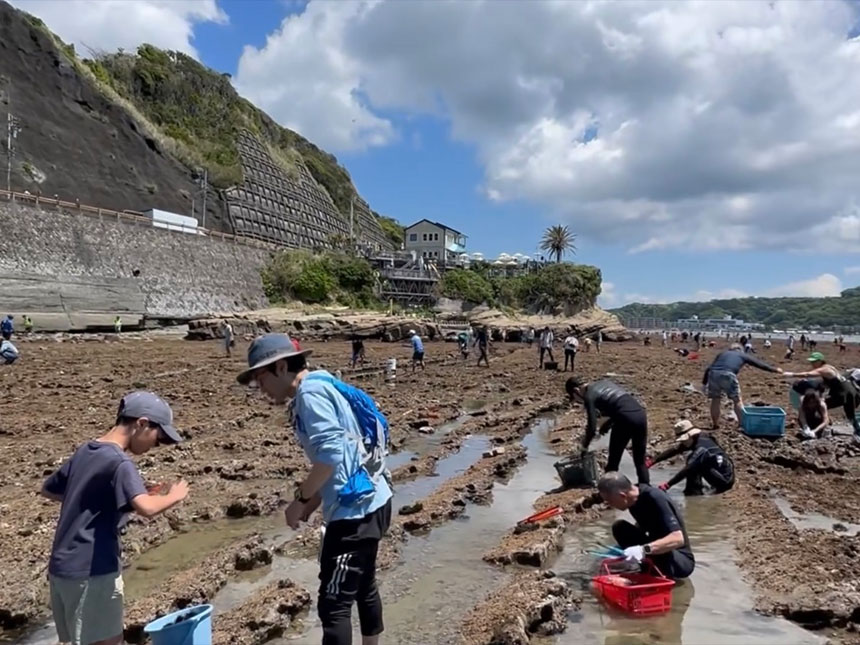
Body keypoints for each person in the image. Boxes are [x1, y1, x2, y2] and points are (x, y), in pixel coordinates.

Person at [237, 334, 392, 645]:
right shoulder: (325, 382)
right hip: (376, 498)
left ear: (281, 367)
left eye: (260, 379)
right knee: (363, 585)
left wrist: (300, 500)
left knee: (334, 604)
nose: (261, 390)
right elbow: (346, 454)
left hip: (354, 515)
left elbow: (331, 457)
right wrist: (312, 503)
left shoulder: (310, 395)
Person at [42, 391, 188, 645]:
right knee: (109, 641)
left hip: (62, 568)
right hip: (93, 569)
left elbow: (50, 489)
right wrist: (175, 495)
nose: (156, 446)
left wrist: (109, 500)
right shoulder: (120, 462)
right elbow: (147, 508)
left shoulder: (87, 450)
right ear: (142, 424)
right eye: (158, 437)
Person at [597, 472, 695, 579]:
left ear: (622, 496)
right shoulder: (633, 500)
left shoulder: (655, 498)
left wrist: (643, 550)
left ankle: (656, 573)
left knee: (650, 550)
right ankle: (646, 568)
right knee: (619, 527)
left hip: (679, 560)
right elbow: (644, 526)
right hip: (656, 548)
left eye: (610, 501)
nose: (609, 505)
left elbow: (677, 539)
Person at [566, 377, 650, 484]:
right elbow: (619, 403)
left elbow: (591, 428)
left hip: (624, 419)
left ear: (576, 391)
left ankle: (608, 493)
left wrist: (584, 447)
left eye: (575, 398)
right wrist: (608, 423)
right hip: (640, 415)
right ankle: (646, 491)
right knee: (640, 462)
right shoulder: (603, 382)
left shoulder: (589, 396)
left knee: (612, 464)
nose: (578, 401)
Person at [703, 344, 782, 429]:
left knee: (715, 400)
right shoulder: (742, 355)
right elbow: (758, 363)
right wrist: (774, 370)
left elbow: (709, 368)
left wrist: (704, 384)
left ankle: (715, 424)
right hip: (728, 374)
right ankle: (741, 425)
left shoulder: (722, 354)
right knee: (737, 400)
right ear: (741, 350)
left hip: (713, 373)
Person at [649, 421, 734, 495]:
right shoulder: (701, 437)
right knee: (695, 462)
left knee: (693, 463)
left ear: (690, 436)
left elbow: (687, 469)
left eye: (683, 440)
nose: (682, 443)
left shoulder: (701, 449)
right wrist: (653, 461)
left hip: (725, 481)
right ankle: (694, 490)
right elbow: (675, 450)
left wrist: (668, 485)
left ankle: (694, 493)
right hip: (725, 471)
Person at [785, 352, 860, 434]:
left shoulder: (823, 369)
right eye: (811, 361)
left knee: (818, 405)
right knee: (850, 413)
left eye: (814, 361)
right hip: (850, 390)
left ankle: (815, 427)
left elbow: (807, 374)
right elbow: (833, 381)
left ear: (821, 361)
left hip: (842, 393)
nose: (812, 363)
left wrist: (791, 374)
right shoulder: (829, 367)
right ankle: (858, 430)